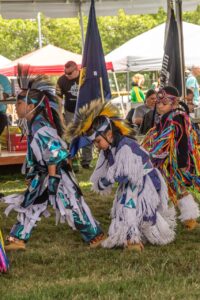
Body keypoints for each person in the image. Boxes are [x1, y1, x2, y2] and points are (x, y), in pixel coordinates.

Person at [1, 64, 104, 251]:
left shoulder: (41, 127)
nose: (16, 107)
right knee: (31, 202)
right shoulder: (34, 124)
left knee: (72, 204)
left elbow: (54, 154)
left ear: (31, 106)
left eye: (19, 103)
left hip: (57, 173)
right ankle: (17, 238)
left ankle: (95, 236)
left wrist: (54, 179)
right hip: (44, 174)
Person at [67, 99, 176, 251]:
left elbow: (125, 173)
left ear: (109, 134)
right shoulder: (109, 149)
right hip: (133, 181)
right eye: (95, 143)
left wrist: (108, 180)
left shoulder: (126, 146)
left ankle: (133, 240)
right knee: (122, 206)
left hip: (145, 181)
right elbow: (103, 173)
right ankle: (129, 236)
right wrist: (102, 181)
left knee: (128, 205)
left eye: (98, 141)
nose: (96, 146)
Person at [142, 86, 200, 230]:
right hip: (165, 162)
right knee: (174, 189)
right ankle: (188, 218)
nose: (160, 106)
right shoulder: (165, 117)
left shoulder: (177, 117)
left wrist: (181, 163)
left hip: (176, 163)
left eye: (164, 103)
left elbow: (183, 142)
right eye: (158, 103)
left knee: (171, 190)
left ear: (174, 103)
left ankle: (175, 220)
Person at [56, 61, 92, 169]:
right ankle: (71, 159)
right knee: (70, 136)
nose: (67, 75)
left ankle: (86, 161)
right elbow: (58, 98)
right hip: (70, 111)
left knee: (87, 135)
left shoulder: (85, 77)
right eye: (65, 73)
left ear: (77, 70)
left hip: (85, 111)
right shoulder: (61, 80)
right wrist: (60, 114)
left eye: (70, 73)